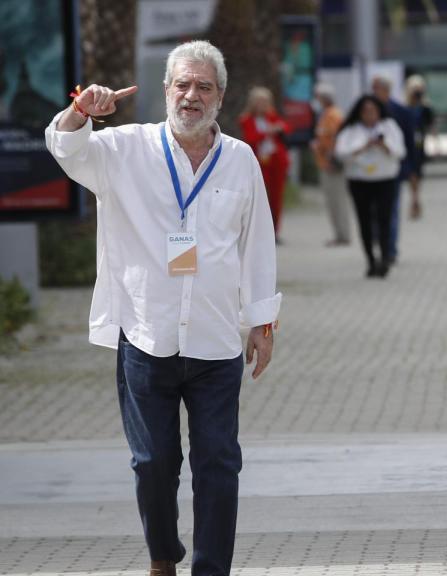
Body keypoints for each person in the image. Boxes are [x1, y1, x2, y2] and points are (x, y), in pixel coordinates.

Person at [44, 40, 281, 576]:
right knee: (153, 463)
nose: (191, 96)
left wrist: (262, 320)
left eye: (203, 87)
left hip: (216, 337)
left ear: (221, 95)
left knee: (219, 463)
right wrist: (81, 111)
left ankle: (210, 567)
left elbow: (257, 243)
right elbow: (65, 147)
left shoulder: (240, 160)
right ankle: (162, 556)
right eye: (182, 85)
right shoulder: (124, 149)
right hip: (145, 334)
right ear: (165, 90)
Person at [334, 95, 406, 278]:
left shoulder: (389, 126)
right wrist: (363, 147)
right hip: (360, 180)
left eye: (373, 111)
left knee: (384, 219)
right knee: (364, 220)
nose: (370, 116)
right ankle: (370, 260)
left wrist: (383, 145)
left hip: (385, 179)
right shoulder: (351, 130)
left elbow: (400, 151)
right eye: (366, 112)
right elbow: (340, 153)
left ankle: (384, 258)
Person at [371, 76, 415, 264]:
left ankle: (389, 250)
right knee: (374, 211)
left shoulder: (401, 112)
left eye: (377, 88)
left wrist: (411, 169)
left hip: (394, 170)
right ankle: (377, 245)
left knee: (391, 211)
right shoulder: (366, 110)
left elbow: (410, 143)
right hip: (369, 171)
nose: (374, 92)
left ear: (387, 90)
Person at [238, 86, 290, 241]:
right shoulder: (246, 119)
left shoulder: (272, 116)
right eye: (260, 102)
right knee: (258, 197)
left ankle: (275, 231)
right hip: (258, 162)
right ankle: (257, 231)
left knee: (276, 197)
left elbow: (286, 128)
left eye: (265, 102)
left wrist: (278, 129)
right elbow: (250, 138)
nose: (263, 105)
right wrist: (267, 132)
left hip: (275, 161)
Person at [310, 82, 352, 246]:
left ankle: (343, 235)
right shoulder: (327, 114)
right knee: (332, 202)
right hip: (326, 163)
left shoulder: (333, 116)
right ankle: (339, 234)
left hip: (332, 165)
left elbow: (336, 140)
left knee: (337, 201)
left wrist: (332, 159)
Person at [404, 74, 435, 220]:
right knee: (411, 173)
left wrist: (436, 144)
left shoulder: (425, 108)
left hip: (419, 145)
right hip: (406, 144)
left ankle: (415, 199)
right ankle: (415, 200)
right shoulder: (405, 107)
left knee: (417, 172)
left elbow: (431, 126)